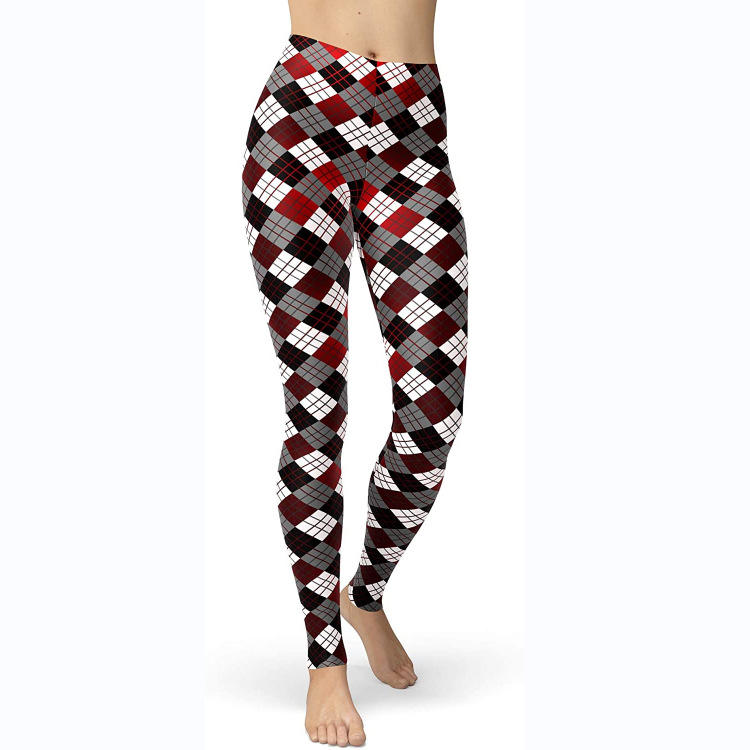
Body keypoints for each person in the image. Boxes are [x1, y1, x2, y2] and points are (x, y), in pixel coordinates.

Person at [242, 1, 468, 744]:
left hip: (414, 129)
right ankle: (324, 660)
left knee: (433, 419)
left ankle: (363, 595)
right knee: (316, 410)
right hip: (303, 117)